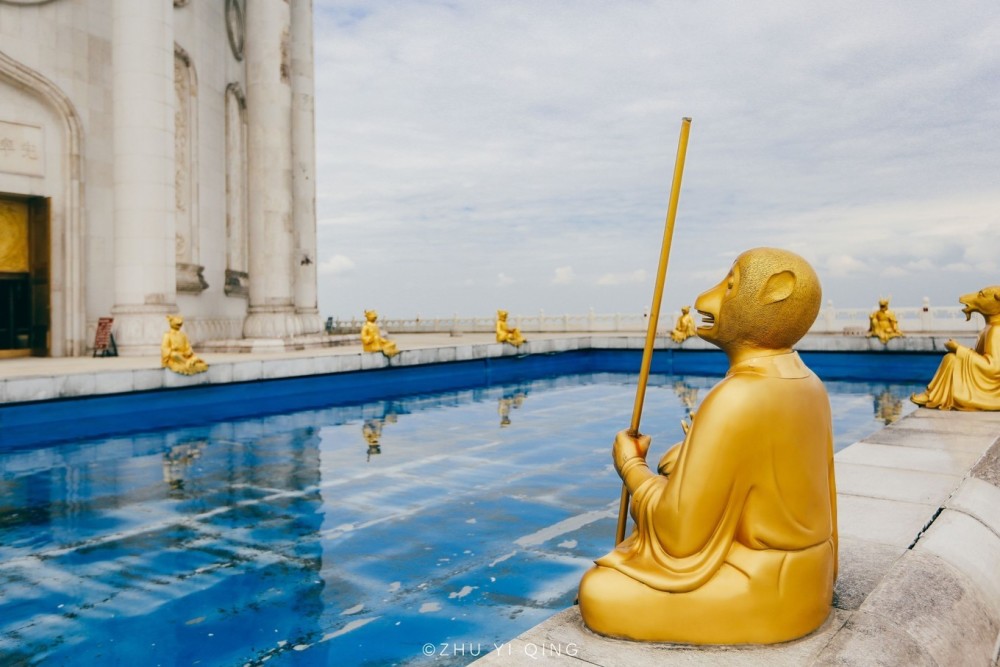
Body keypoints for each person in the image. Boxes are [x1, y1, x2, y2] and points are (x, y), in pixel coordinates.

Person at [578, 248, 837, 644]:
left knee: (598, 590)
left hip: (763, 589)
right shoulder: (810, 383)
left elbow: (680, 536)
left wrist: (632, 468)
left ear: (774, 293)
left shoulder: (738, 396)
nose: (707, 298)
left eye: (730, 285)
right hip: (813, 576)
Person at [911, 286, 1000, 410]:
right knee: (952, 358)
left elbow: (994, 368)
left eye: (981, 296)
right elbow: (982, 358)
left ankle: (933, 395)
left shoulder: (996, 330)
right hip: (986, 379)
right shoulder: (989, 328)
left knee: (951, 359)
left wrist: (959, 349)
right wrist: (960, 351)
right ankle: (932, 395)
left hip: (993, 388)